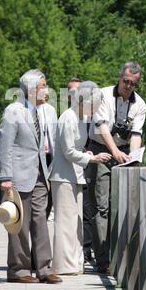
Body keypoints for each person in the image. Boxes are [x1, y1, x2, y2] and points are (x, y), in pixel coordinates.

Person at [0, 69, 62, 284]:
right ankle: (19, 270)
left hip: (41, 173)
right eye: (44, 86)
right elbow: (4, 148)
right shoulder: (13, 111)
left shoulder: (44, 111)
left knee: (40, 220)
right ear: (31, 90)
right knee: (19, 223)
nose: (47, 90)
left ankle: (44, 268)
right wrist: (5, 177)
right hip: (18, 175)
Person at [87, 61, 146, 274]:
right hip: (101, 149)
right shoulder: (102, 95)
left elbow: (136, 135)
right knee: (101, 206)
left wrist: (133, 157)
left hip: (122, 153)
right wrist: (115, 152)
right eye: (126, 81)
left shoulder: (139, 104)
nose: (128, 86)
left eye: (133, 83)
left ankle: (118, 254)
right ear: (120, 77)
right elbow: (102, 126)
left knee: (119, 205)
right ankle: (102, 258)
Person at [49, 81, 111, 275]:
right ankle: (64, 264)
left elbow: (76, 148)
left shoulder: (81, 118)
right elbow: (67, 151)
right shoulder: (68, 117)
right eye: (95, 105)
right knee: (66, 222)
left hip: (75, 174)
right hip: (63, 176)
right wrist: (92, 158)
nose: (97, 109)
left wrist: (85, 152)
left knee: (75, 222)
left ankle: (75, 262)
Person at [67, 78, 94, 263]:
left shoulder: (90, 116)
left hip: (87, 166)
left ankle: (86, 251)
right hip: (67, 169)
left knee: (87, 211)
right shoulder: (67, 116)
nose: (74, 93)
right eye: (71, 90)